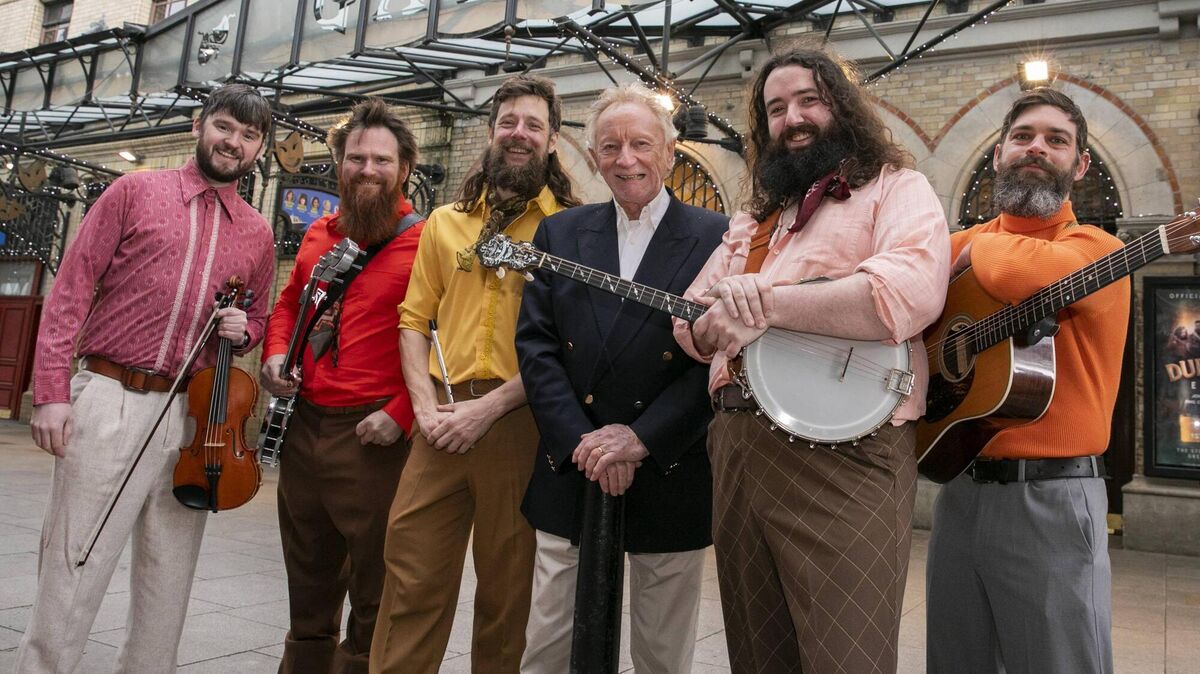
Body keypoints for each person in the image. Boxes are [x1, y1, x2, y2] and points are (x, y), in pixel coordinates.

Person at [673, 48, 949, 673]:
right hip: (739, 444)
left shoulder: (897, 189)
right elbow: (688, 319)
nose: (791, 118)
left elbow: (901, 293)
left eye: (808, 100)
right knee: (757, 655)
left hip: (847, 455)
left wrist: (761, 303)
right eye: (775, 109)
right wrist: (714, 324)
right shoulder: (756, 219)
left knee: (844, 654)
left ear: (844, 108)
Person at [18, 83, 276, 673]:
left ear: (259, 148)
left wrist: (245, 328)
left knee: (169, 577)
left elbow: (256, 317)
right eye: (224, 127)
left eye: (248, 135)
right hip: (110, 397)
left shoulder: (257, 232)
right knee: (73, 562)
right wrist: (53, 394)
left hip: (194, 419)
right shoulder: (133, 191)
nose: (233, 143)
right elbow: (70, 293)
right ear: (197, 125)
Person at [370, 74, 581, 674]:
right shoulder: (445, 223)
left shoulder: (570, 230)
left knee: (507, 596)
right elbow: (413, 319)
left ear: (551, 140)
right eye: (508, 122)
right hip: (438, 421)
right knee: (409, 578)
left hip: (522, 423)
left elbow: (571, 345)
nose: (519, 134)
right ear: (491, 132)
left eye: (533, 125)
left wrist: (487, 411)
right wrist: (426, 408)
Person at [516, 83, 726, 674]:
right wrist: (583, 442)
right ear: (593, 156)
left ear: (670, 150)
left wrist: (641, 439)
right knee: (549, 645)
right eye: (610, 146)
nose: (625, 159)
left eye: (640, 143)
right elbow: (536, 345)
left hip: (670, 461)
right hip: (572, 461)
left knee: (662, 652)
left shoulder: (718, 236)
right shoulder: (559, 234)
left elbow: (721, 357)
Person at [926, 88, 1127, 674]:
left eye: (1056, 140)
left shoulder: (1097, 249)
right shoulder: (957, 247)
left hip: (1055, 502)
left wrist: (971, 239)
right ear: (997, 154)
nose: (1036, 148)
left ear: (1081, 165)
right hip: (959, 490)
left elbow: (1008, 270)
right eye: (1022, 137)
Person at [260, 98, 424, 674]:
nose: (368, 170)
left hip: (375, 435)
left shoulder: (425, 243)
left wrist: (402, 414)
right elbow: (288, 302)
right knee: (307, 578)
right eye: (357, 158)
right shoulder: (316, 235)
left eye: (382, 160)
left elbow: (443, 341)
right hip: (305, 426)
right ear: (340, 163)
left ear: (405, 168)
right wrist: (276, 351)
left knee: (377, 589)